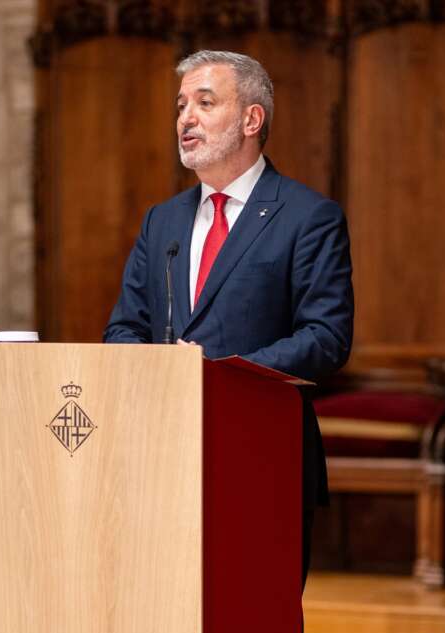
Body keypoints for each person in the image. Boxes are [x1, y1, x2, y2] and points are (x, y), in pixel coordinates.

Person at [103, 50, 354, 585]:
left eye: (204, 102)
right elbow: (124, 328)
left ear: (251, 119)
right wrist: (158, 369)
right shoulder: (161, 221)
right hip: (161, 458)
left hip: (262, 460)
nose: (185, 118)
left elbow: (326, 338)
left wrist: (220, 374)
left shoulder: (309, 217)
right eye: (181, 106)